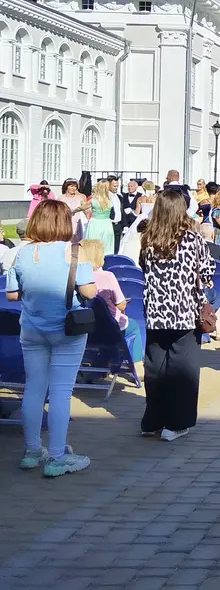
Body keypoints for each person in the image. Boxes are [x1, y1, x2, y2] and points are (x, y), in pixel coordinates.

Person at [6, 200, 97, 476]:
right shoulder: (74, 252)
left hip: (32, 329)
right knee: (61, 391)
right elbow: (90, 292)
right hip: (67, 330)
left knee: (34, 388)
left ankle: (33, 450)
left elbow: (12, 294)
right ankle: (58, 456)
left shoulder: (22, 254)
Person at [138, 190, 214, 442]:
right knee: (183, 369)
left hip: (156, 312)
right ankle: (177, 422)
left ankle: (153, 420)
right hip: (184, 313)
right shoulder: (192, 239)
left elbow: (143, 268)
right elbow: (207, 274)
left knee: (155, 368)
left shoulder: (148, 240)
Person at [82, 178, 116, 255]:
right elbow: (86, 209)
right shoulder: (93, 199)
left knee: (106, 245)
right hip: (96, 222)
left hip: (106, 223)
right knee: (94, 243)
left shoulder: (111, 198)